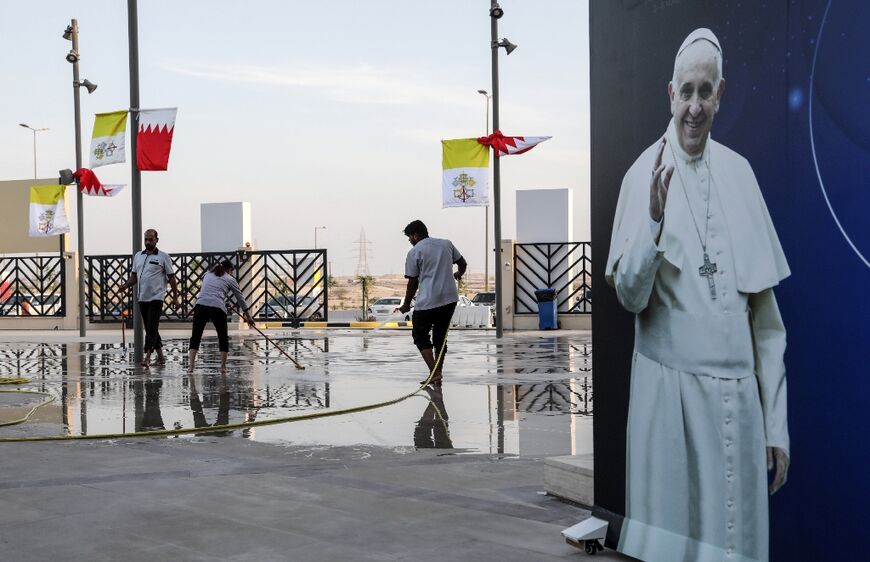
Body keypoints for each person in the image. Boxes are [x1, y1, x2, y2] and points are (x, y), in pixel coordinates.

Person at [604, 29, 790, 562]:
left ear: (720, 93)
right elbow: (632, 299)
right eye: (685, 91)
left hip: (736, 401)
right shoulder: (643, 174)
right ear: (669, 93)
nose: (693, 107)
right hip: (669, 401)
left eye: (705, 92)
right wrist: (655, 223)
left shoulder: (740, 174)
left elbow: (767, 324)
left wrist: (775, 423)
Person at [398, 220, 467, 385]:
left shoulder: (415, 252)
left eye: (409, 237)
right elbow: (462, 263)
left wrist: (406, 304)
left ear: (416, 234)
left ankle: (434, 373)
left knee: (420, 335)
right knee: (440, 338)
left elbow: (413, 283)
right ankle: (437, 374)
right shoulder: (446, 244)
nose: (409, 240)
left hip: (428, 301)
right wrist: (457, 274)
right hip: (449, 299)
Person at [120, 229, 180, 367]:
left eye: (151, 240)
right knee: (150, 328)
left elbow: (171, 278)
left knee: (152, 327)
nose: (147, 242)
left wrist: (175, 297)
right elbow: (134, 276)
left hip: (156, 297)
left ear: (157, 240)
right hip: (142, 298)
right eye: (146, 239)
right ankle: (161, 358)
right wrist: (125, 285)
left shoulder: (163, 257)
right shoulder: (138, 256)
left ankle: (147, 357)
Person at [187, 259, 254, 372]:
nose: (232, 273)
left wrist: (221, 299)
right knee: (223, 337)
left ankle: (191, 367)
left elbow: (210, 288)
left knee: (196, 336)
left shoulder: (207, 274)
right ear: (229, 270)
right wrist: (248, 316)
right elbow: (240, 298)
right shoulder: (230, 278)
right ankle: (223, 367)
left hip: (201, 305)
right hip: (217, 306)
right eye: (231, 271)